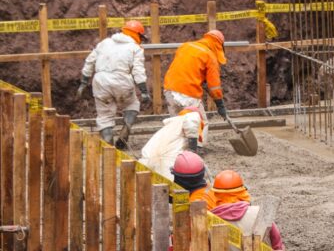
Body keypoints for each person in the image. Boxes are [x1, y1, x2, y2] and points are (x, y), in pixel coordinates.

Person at [210, 170, 284, 251]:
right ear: (242, 191)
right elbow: (278, 248)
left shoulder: (209, 222)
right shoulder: (261, 214)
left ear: (216, 195)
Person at [78, 20, 151, 148]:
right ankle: (125, 132)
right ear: (137, 35)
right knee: (132, 104)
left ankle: (108, 144)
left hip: (100, 81)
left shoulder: (104, 43)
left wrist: (84, 82)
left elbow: (90, 61)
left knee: (104, 115)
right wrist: (144, 91)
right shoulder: (135, 48)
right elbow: (138, 71)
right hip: (122, 81)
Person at [163, 29, 228, 144]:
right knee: (201, 123)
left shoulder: (185, 46)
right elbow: (214, 87)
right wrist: (220, 105)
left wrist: (200, 78)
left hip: (169, 89)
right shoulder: (210, 56)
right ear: (218, 45)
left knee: (177, 123)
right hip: (188, 93)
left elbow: (186, 68)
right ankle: (196, 150)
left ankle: (178, 151)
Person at [138, 106, 206, 180]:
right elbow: (191, 122)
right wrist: (192, 148)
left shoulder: (171, 127)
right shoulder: (192, 116)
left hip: (146, 160)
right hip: (166, 160)